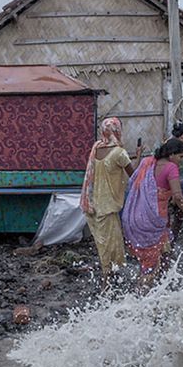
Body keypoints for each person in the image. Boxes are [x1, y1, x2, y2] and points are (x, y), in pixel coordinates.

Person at [123, 138, 183, 289]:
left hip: (135, 216)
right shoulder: (171, 168)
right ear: (171, 155)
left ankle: (158, 288)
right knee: (150, 262)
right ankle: (142, 295)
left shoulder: (147, 162)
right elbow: (178, 196)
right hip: (153, 219)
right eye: (181, 156)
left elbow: (132, 182)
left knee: (159, 254)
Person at [81, 117, 136, 291]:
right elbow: (133, 175)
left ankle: (109, 279)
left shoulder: (96, 147)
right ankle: (107, 282)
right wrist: (139, 156)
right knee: (111, 246)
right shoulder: (119, 153)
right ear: (117, 131)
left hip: (94, 205)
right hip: (109, 206)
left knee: (103, 244)